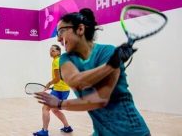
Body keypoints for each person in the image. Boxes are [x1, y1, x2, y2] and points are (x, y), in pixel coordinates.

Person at [34, 8, 150, 136]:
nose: (58, 39)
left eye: (61, 31)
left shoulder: (108, 52)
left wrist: (60, 104)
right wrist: (111, 65)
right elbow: (76, 81)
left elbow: (100, 99)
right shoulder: (66, 59)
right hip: (101, 132)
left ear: (80, 29)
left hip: (132, 131)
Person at [33, 45, 73, 136]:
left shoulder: (56, 61)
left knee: (45, 108)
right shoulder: (62, 60)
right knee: (55, 110)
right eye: (50, 50)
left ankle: (44, 131)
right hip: (65, 89)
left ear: (59, 52)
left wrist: (49, 84)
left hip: (59, 90)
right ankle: (67, 127)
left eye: (53, 50)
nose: (51, 52)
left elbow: (57, 78)